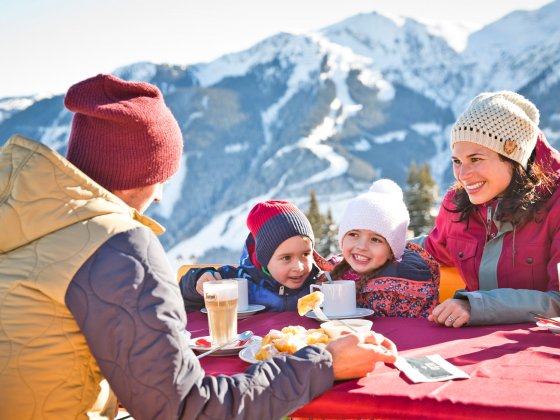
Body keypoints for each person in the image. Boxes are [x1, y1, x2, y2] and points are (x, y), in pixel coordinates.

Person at [0, 74, 397, 420]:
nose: (158, 198)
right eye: (162, 178)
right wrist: (325, 363)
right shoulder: (115, 247)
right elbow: (189, 409)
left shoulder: (27, 222)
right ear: (141, 174)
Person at [414, 91, 560, 327]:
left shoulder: (555, 205)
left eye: (476, 159)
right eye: (457, 161)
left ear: (513, 157)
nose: (462, 175)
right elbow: (429, 249)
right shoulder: (458, 205)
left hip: (540, 350)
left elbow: (558, 303)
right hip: (473, 346)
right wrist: (365, 248)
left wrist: (476, 305)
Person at [181, 200, 326, 312]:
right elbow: (182, 299)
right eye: (286, 258)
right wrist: (197, 281)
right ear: (264, 259)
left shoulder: (319, 283)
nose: (298, 267)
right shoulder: (238, 282)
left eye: (305, 254)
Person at [323, 179, 439, 318]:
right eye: (353, 234)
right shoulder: (334, 272)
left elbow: (416, 328)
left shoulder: (403, 284)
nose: (361, 246)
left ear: (392, 250)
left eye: (375, 239)